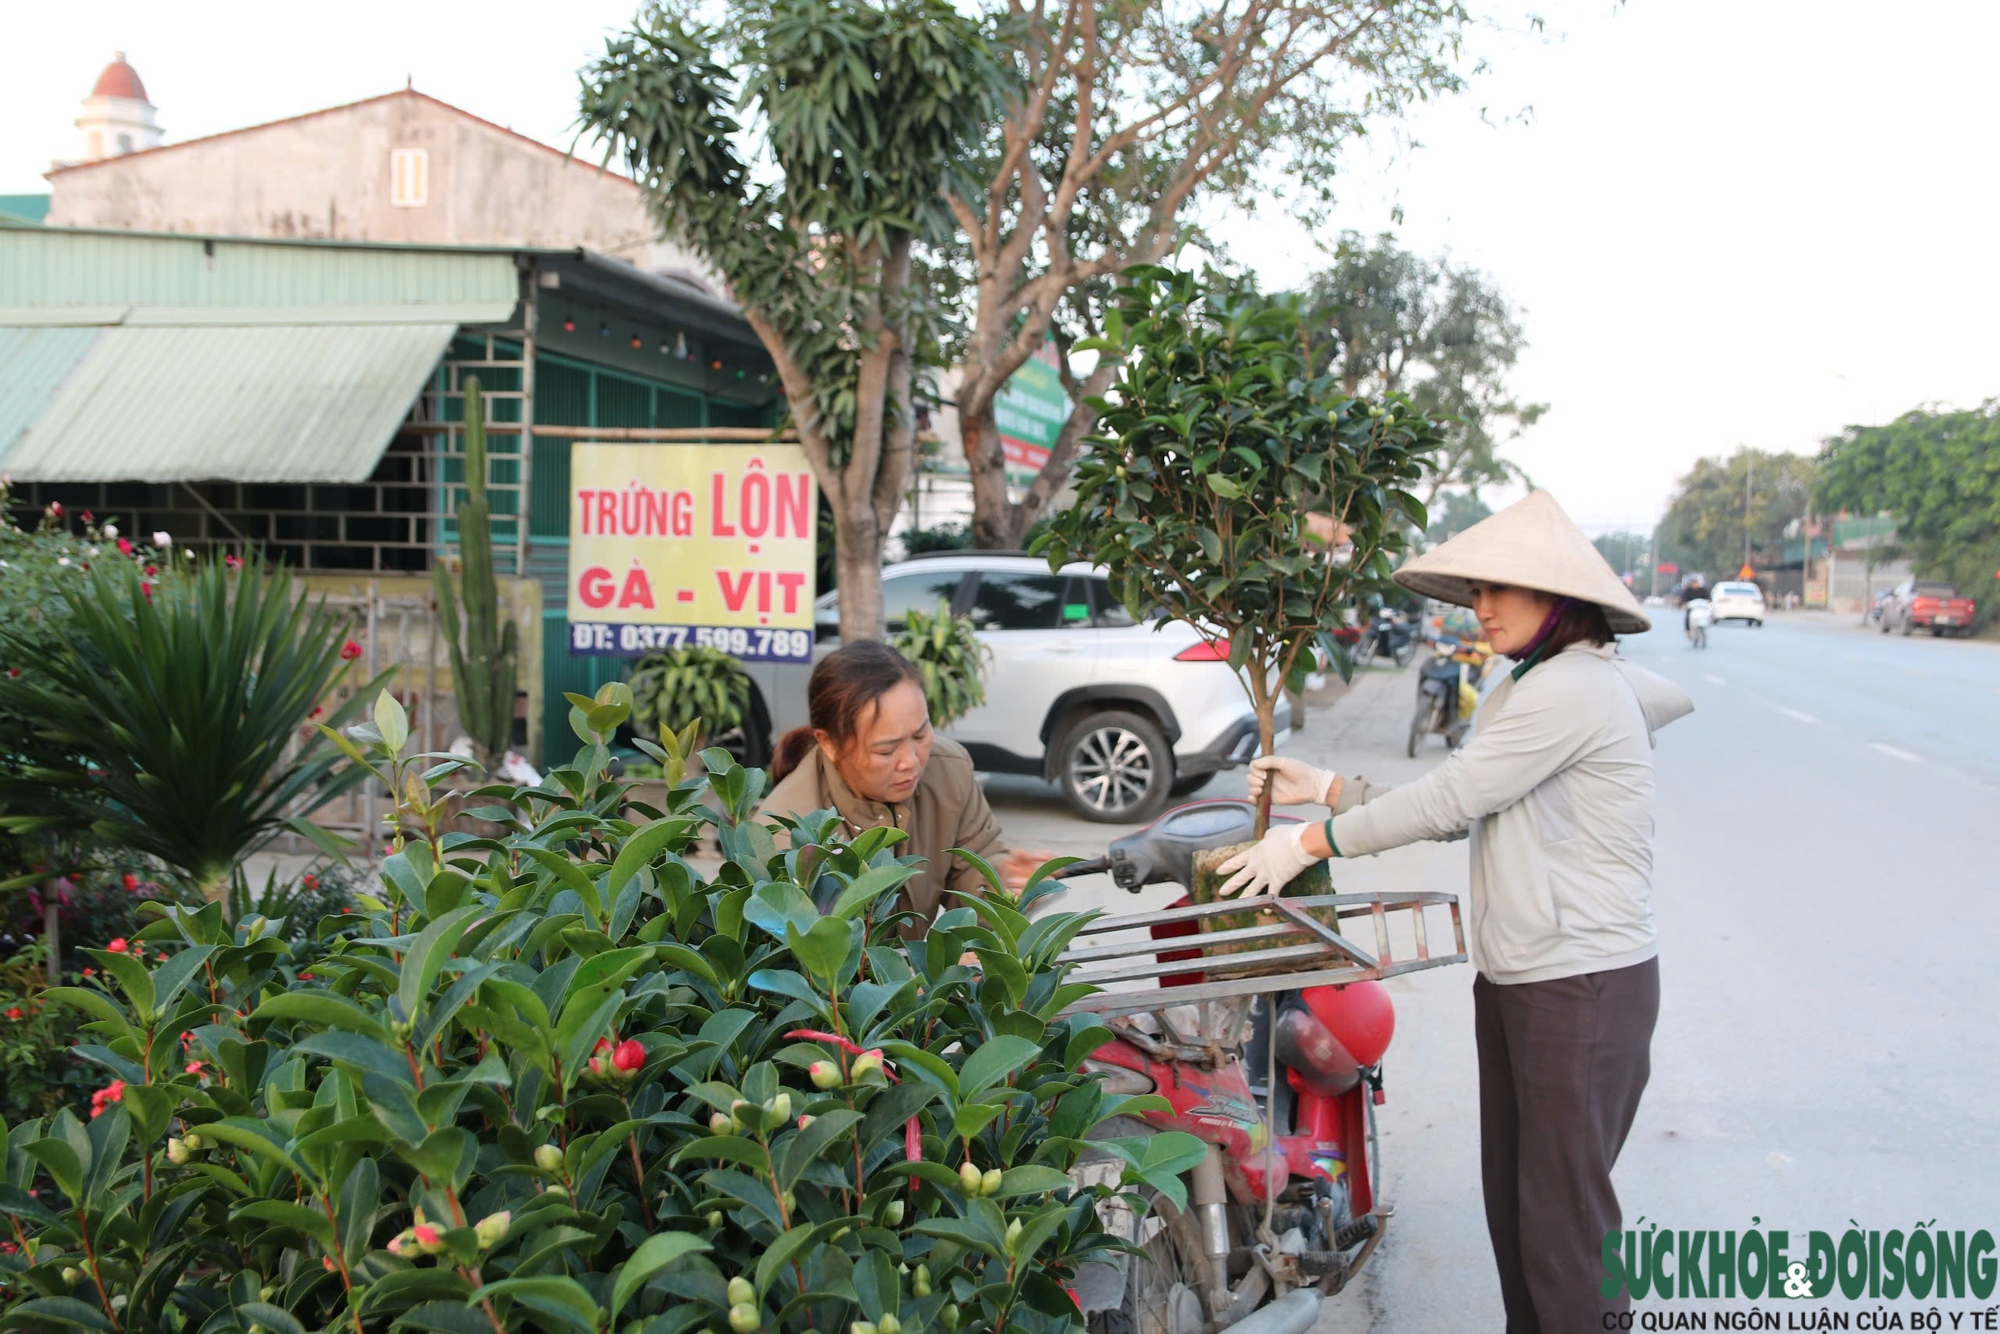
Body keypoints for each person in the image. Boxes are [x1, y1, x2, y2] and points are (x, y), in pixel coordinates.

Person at [1214, 490, 1694, 1333]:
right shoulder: (1530, 682)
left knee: (1566, 1232)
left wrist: (1310, 842)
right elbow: (1470, 799)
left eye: (1502, 589)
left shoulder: (1574, 689)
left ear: (1562, 600)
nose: (1483, 606)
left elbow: (1454, 796)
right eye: (1476, 589)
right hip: (1525, 981)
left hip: (1579, 987)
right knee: (1519, 1217)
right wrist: (1325, 787)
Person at [761, 639, 1042, 926]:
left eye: (920, 735)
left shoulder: (949, 771)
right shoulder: (784, 834)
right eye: (886, 750)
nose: (911, 760)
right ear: (828, 743)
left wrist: (1005, 885)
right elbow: (810, 959)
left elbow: (973, 880)